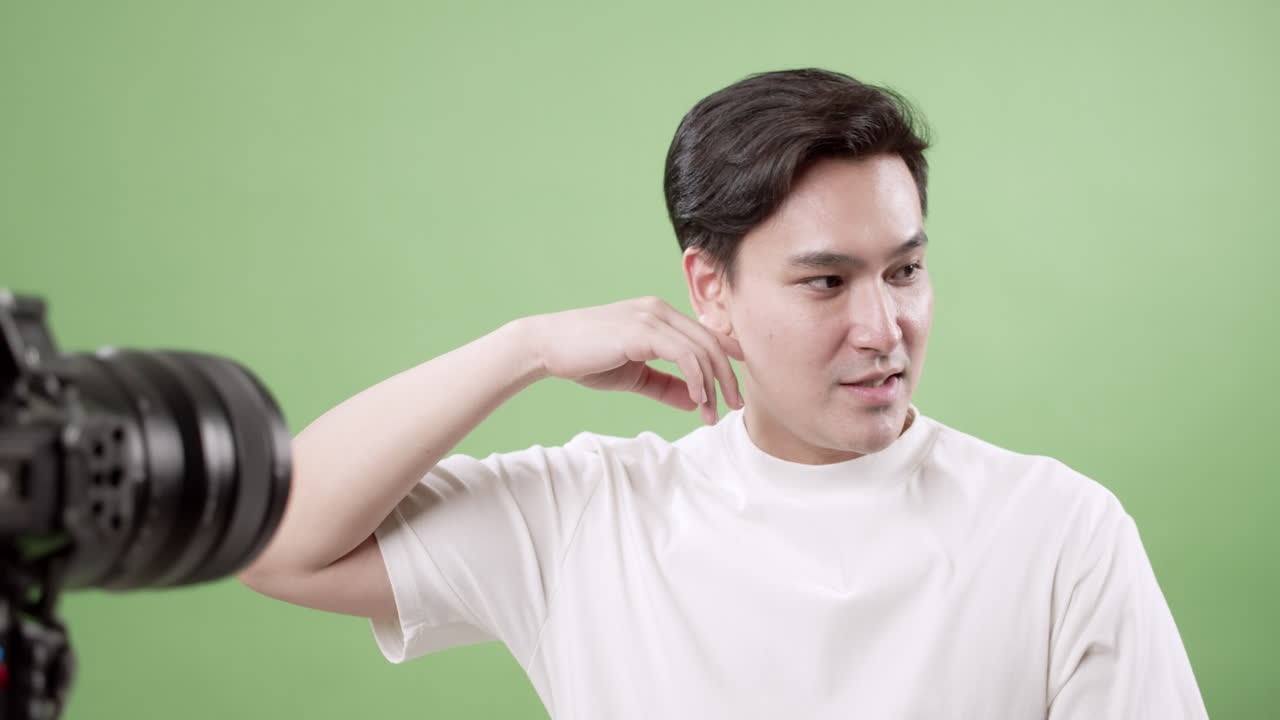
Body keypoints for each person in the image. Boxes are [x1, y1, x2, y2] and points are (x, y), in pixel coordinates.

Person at [238, 68, 1209, 719]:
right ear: (711, 291)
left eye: (904, 271)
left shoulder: (1058, 531)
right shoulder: (591, 517)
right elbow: (267, 535)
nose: (883, 327)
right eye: (825, 282)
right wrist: (520, 349)